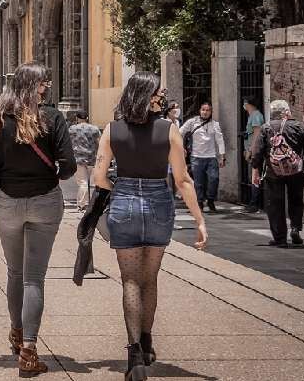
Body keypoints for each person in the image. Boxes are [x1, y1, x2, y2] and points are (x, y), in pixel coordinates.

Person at [93, 72, 207, 381]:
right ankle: (146, 340)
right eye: (159, 92)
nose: (163, 96)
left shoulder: (112, 130)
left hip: (124, 202)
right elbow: (183, 180)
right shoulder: (169, 130)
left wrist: (119, 189)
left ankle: (134, 356)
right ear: (147, 95)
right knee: (150, 279)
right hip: (159, 202)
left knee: (130, 280)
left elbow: (99, 176)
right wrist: (199, 220)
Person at [0, 63, 77, 376]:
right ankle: (29, 348)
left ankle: (15, 331)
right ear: (33, 85)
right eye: (43, 83)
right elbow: (69, 165)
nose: (46, 87)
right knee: (33, 278)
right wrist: (52, 172)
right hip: (44, 200)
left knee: (14, 272)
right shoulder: (52, 117)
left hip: (8, 200)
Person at [251, 100, 304, 246]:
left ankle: (279, 237)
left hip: (273, 171)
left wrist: (255, 170)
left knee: (274, 203)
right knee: (296, 200)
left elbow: (257, 151)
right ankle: (295, 228)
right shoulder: (298, 126)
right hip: (295, 170)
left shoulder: (266, 127)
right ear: (286, 112)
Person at [179, 102, 226, 213]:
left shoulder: (215, 124)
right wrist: (182, 147)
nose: (205, 112)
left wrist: (222, 156)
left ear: (211, 112)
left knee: (214, 179)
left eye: (208, 110)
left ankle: (210, 200)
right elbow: (180, 132)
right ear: (200, 110)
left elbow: (220, 140)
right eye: (203, 110)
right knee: (198, 182)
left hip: (211, 157)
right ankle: (199, 202)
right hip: (196, 157)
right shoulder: (192, 122)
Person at [69, 110, 101, 212]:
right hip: (92, 158)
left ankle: (82, 205)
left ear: (77, 118)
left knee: (82, 182)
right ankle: (92, 204)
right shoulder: (94, 129)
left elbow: (67, 143)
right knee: (92, 183)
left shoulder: (72, 129)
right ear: (87, 118)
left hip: (78, 159)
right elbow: (100, 142)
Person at [242, 97, 265, 213]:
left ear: (247, 104)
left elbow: (257, 134)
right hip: (251, 150)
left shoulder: (256, 115)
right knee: (253, 177)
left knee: (255, 177)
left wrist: (251, 150)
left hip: (254, 152)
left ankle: (255, 203)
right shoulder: (252, 116)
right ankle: (253, 202)